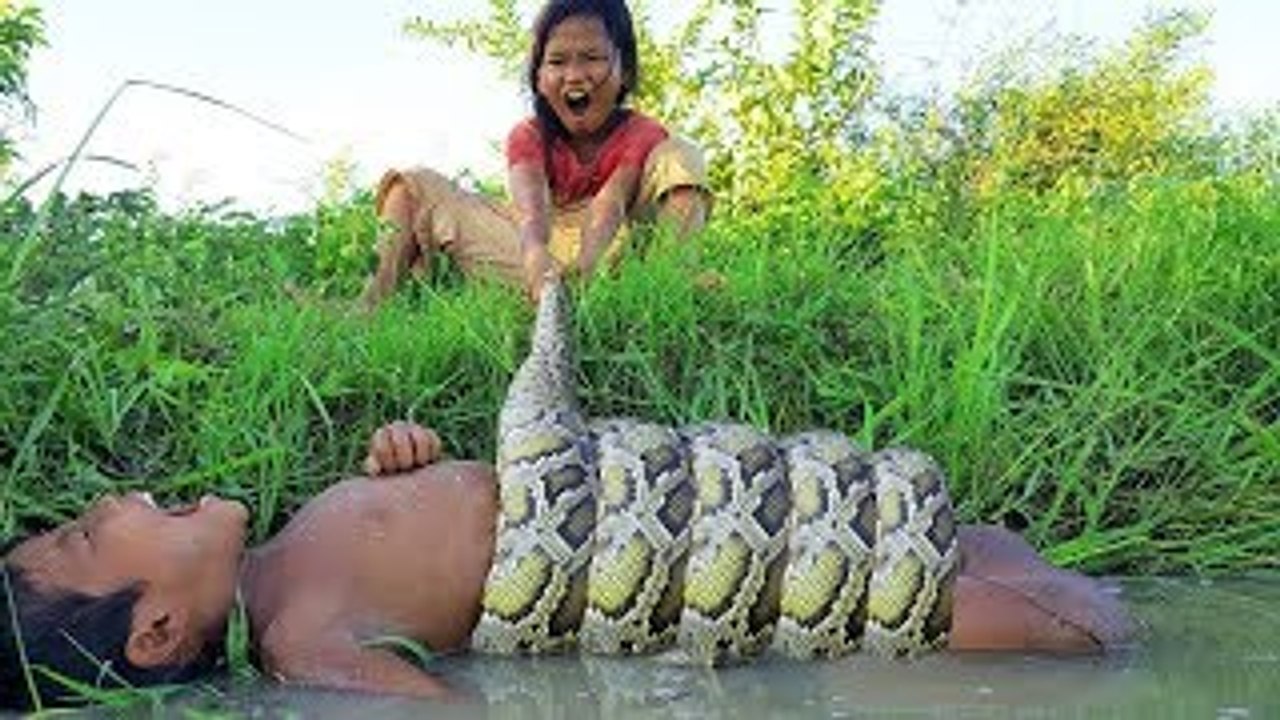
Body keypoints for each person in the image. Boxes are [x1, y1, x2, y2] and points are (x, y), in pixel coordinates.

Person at [1, 420, 1134, 711]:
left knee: (958, 549)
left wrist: (409, 458)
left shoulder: (300, 544)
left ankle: (1057, 595)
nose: (109, 499)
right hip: (666, 583)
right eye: (93, 536)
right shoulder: (304, 644)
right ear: (153, 632)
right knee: (1013, 627)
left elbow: (427, 519)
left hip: (661, 514)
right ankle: (1116, 636)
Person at [361, 0, 712, 309]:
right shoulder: (528, 135)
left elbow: (612, 202)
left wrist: (588, 266)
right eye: (557, 62)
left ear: (625, 72)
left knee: (681, 154)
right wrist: (536, 257)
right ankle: (374, 301)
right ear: (539, 79)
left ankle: (673, 280)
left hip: (616, 254)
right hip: (533, 256)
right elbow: (531, 211)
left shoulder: (642, 131)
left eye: (592, 58)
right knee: (412, 185)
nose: (574, 76)